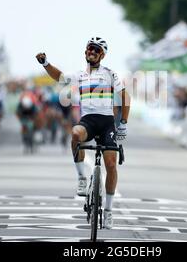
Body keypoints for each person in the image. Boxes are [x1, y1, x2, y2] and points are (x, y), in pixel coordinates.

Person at [36, 36, 131, 229]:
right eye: (89, 49)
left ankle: (109, 210)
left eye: (96, 50)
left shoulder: (110, 75)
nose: (92, 52)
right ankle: (81, 177)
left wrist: (123, 124)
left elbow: (125, 97)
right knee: (76, 134)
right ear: (85, 51)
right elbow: (59, 76)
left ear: (102, 55)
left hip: (106, 123)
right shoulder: (79, 74)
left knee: (111, 164)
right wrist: (45, 63)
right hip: (88, 121)